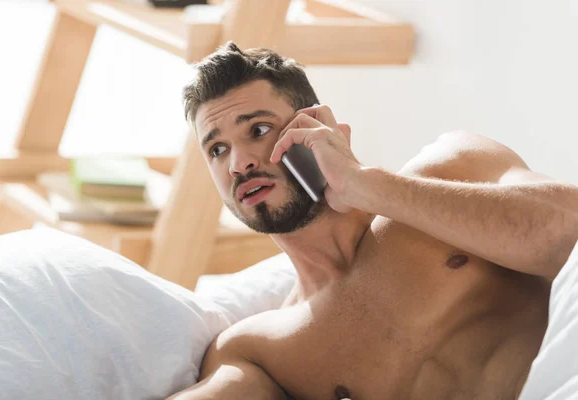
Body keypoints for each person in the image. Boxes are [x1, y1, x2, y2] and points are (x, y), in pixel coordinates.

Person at [167, 42, 578, 399]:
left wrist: (364, 185)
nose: (240, 163)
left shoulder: (452, 166)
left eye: (258, 129)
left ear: (317, 127)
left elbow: (570, 230)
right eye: (217, 150)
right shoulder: (261, 348)